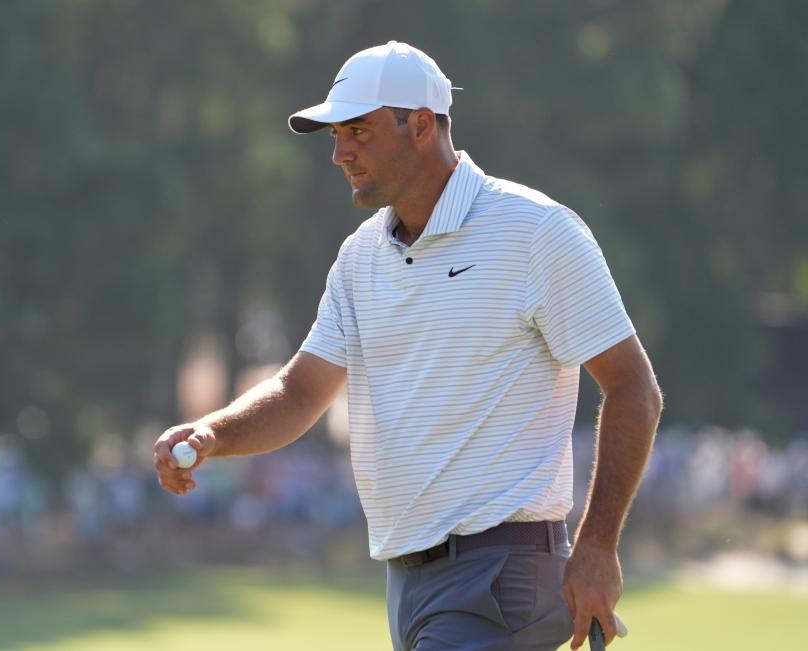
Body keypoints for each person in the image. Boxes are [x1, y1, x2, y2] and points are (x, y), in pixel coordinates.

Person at [154, 41, 662, 651]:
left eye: (360, 133)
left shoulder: (535, 231)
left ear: (420, 125)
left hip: (501, 573)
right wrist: (212, 434)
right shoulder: (359, 257)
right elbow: (298, 392)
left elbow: (635, 388)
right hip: (408, 582)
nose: (341, 154)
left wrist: (599, 544)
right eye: (336, 136)